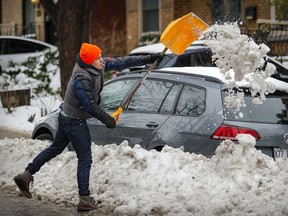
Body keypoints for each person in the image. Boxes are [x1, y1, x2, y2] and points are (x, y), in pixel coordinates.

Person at [13, 43, 163, 212]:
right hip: (73, 121)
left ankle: (25, 176)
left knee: (55, 148)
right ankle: (84, 198)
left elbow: (121, 62)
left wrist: (149, 58)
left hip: (67, 116)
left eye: (100, 56)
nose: (102, 60)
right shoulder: (82, 78)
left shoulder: (95, 64)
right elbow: (90, 105)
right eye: (98, 58)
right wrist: (108, 119)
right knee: (85, 158)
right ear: (90, 61)